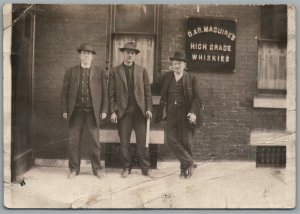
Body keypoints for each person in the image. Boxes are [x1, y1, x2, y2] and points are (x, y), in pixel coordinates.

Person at [61, 43, 108, 179]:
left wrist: (104, 110)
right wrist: (65, 110)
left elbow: (105, 92)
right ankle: (74, 169)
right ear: (79, 55)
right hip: (76, 112)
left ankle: (97, 169)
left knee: (95, 141)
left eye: (89, 54)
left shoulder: (99, 72)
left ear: (92, 57)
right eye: (84, 53)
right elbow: (64, 93)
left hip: (93, 113)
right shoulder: (71, 71)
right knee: (73, 141)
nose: (86, 56)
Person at [109, 41, 153, 178]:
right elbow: (111, 94)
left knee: (142, 142)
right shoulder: (115, 71)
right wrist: (112, 111)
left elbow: (147, 92)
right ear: (123, 54)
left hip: (140, 112)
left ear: (135, 56)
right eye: (127, 52)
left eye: (132, 53)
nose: (130, 55)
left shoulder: (142, 71)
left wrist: (149, 108)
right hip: (123, 113)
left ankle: (145, 168)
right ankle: (126, 168)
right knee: (124, 142)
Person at [155, 51, 202, 179]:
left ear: (184, 65)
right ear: (172, 65)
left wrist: (193, 112)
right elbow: (154, 87)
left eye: (179, 64)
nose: (177, 66)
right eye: (175, 64)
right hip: (170, 114)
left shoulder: (191, 78)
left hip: (185, 114)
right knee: (170, 140)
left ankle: (184, 170)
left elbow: (197, 98)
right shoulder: (167, 77)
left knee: (186, 142)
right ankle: (190, 162)